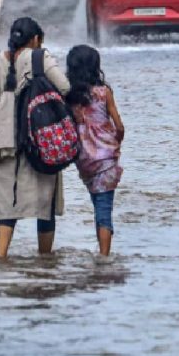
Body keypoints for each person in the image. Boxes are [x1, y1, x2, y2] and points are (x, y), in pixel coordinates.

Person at [0, 17, 70, 259]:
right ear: (35, 40)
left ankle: (1, 258)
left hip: (2, 138)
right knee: (45, 205)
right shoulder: (40, 58)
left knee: (6, 204)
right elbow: (64, 87)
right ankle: (45, 262)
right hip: (38, 135)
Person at [66, 45, 124, 256]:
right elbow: (119, 126)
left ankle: (102, 251)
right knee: (104, 209)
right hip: (105, 159)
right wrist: (115, 143)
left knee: (97, 203)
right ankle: (104, 256)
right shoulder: (103, 93)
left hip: (83, 160)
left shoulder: (69, 95)